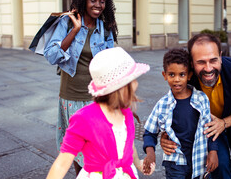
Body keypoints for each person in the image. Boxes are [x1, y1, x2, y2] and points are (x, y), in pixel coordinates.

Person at [160, 34, 231, 179]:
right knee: (219, 166)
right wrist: (166, 136)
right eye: (201, 62)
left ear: (220, 56)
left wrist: (224, 123)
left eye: (213, 60)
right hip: (207, 124)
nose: (208, 68)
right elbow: (173, 108)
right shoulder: (186, 79)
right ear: (191, 63)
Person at [44, 0, 118, 175]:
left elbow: (110, 61)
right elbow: (51, 55)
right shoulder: (67, 22)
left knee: (97, 147)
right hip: (71, 95)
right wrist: (75, 30)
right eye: (93, 0)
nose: (98, 5)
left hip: (97, 97)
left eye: (102, 1)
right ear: (84, 0)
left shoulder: (106, 28)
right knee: (78, 147)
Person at [46, 47, 155, 179]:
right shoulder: (84, 118)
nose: (136, 84)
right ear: (121, 87)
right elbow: (62, 162)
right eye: (133, 79)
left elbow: (128, 144)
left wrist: (138, 163)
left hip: (126, 173)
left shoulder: (125, 112)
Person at [142, 48, 218, 179]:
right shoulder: (162, 104)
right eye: (172, 74)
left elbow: (210, 128)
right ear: (164, 75)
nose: (177, 79)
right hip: (175, 163)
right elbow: (149, 132)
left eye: (182, 75)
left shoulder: (201, 99)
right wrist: (150, 153)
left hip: (200, 160)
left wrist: (213, 151)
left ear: (189, 75)